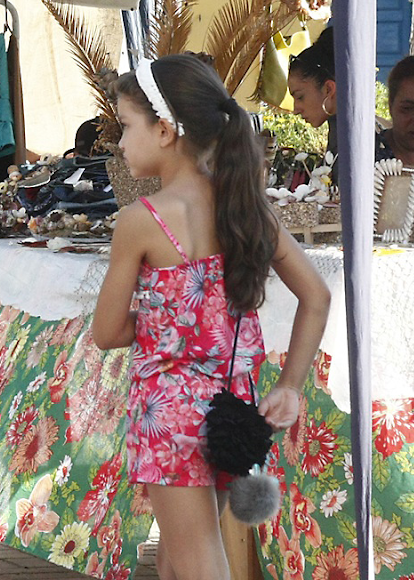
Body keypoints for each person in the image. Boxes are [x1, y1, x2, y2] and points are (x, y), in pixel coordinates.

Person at [93, 55, 329, 580]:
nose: (121, 143)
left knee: (198, 562)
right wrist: (290, 386)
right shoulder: (244, 209)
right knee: (179, 562)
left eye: (126, 127)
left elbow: (106, 332)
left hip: (169, 415)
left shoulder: (140, 222)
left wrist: (163, 324)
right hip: (231, 410)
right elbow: (316, 296)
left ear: (165, 129)